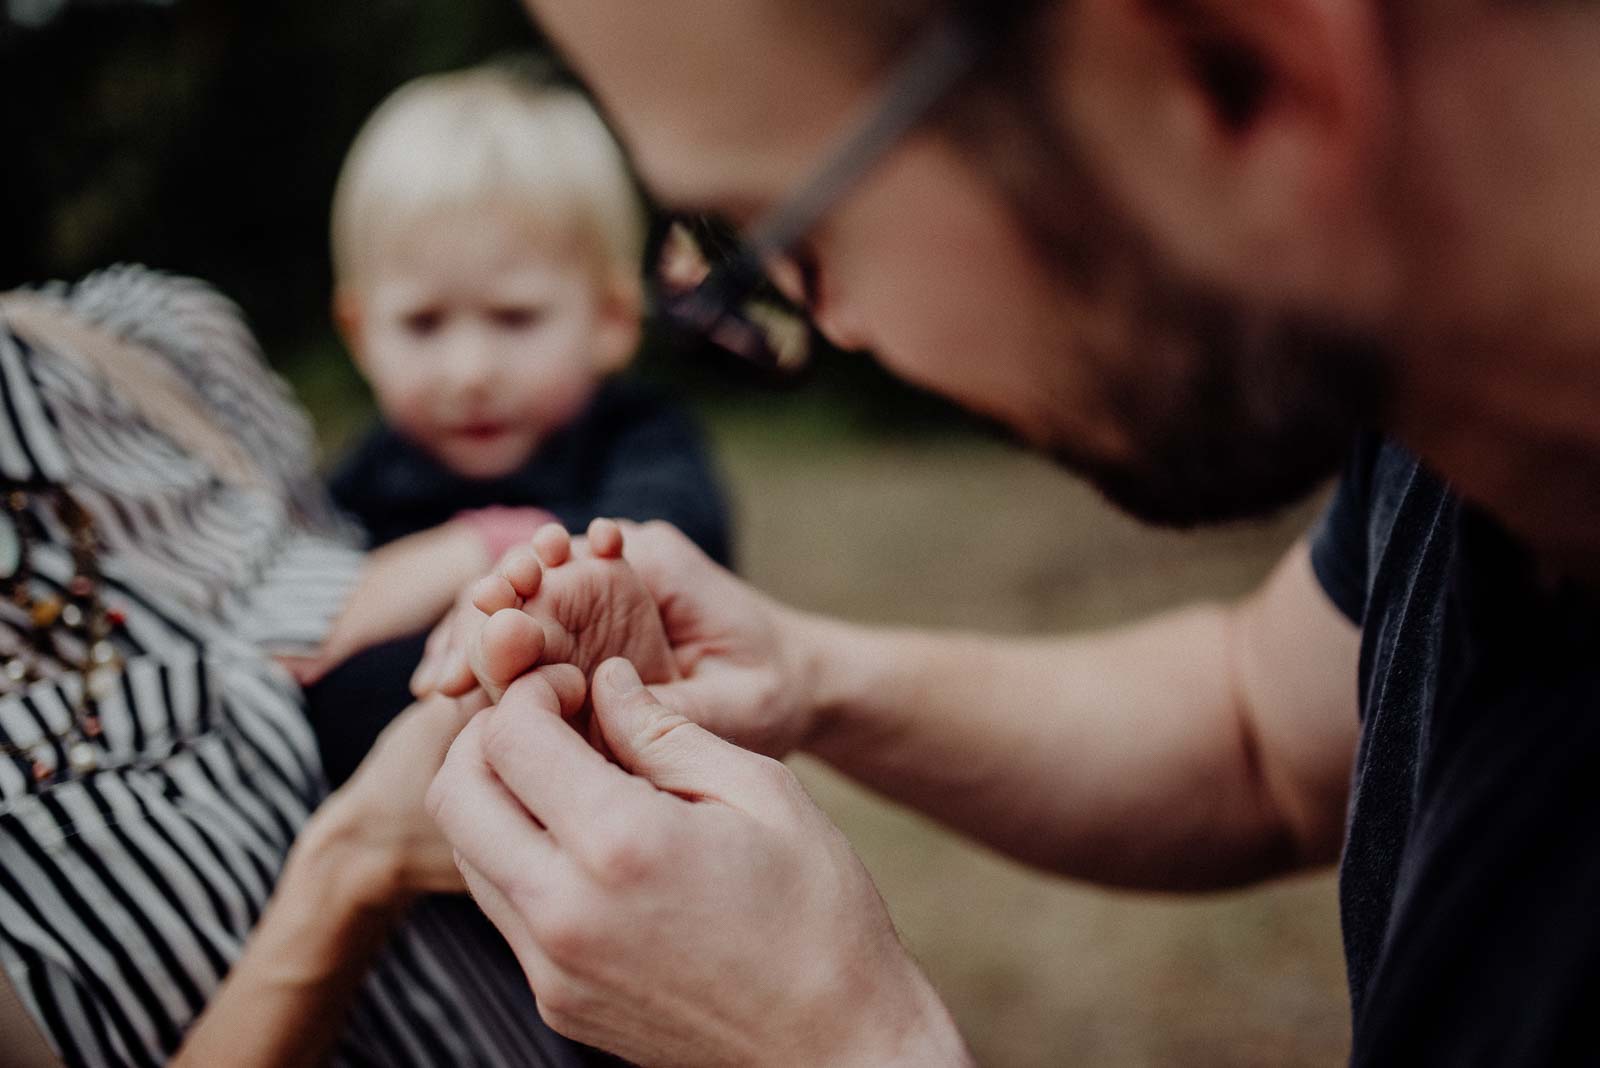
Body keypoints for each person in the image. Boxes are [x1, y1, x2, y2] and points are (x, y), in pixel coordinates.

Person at [415, 0, 1600, 1064]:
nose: (836, 328)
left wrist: (837, 1045)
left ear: (1236, 67)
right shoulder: (1472, 431)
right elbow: (1262, 731)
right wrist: (804, 673)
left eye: (790, 240)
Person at [0, 266, 613, 1067]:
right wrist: (364, 859)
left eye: (515, 316)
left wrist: (494, 551)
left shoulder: (147, 348)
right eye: (425, 323)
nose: (471, 370)